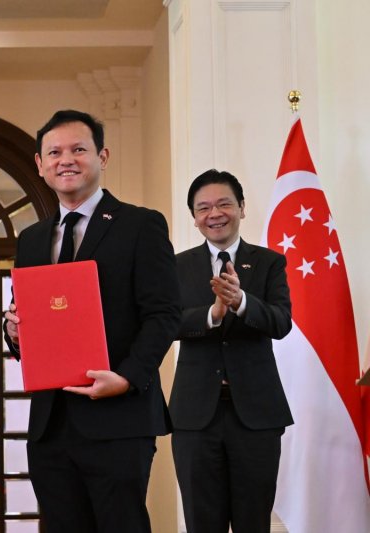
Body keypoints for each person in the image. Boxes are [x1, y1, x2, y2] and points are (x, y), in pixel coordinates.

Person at [3, 110, 181, 532]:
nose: (66, 160)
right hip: (51, 425)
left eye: (78, 150)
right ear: (40, 165)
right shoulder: (31, 239)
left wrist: (126, 377)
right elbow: (27, 321)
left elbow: (164, 314)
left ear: (102, 156)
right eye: (55, 152)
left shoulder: (141, 225)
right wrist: (12, 331)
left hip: (119, 418)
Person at [169, 169, 293, 533]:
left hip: (256, 415)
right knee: (201, 522)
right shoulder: (176, 266)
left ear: (241, 207)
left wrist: (241, 303)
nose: (215, 213)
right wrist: (211, 314)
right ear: (194, 218)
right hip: (194, 417)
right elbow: (166, 323)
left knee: (253, 522)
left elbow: (281, 322)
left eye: (224, 203)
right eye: (203, 207)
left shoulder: (270, 262)